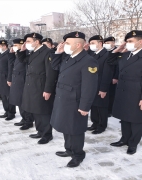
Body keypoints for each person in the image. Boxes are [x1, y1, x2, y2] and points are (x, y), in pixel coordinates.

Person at [51, 31, 98, 168]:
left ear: (78, 45)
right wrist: (58, 53)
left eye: (67, 43)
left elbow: (89, 87)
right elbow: (55, 67)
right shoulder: (68, 57)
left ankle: (78, 155)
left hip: (75, 101)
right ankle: (69, 150)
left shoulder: (89, 61)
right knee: (66, 127)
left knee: (75, 130)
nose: (64, 45)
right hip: (63, 99)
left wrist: (85, 106)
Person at [110, 30, 142, 155]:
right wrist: (117, 50)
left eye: (130, 41)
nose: (127, 44)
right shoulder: (125, 55)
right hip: (123, 92)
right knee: (124, 118)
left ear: (140, 42)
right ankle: (124, 139)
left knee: (136, 120)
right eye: (126, 41)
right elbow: (110, 62)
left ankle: (133, 143)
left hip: (137, 93)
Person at [17, 33, 59, 144]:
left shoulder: (47, 52)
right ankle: (40, 131)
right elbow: (23, 60)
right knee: (36, 111)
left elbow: (51, 74)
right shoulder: (34, 52)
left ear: (37, 41)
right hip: (32, 86)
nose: (26, 43)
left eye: (29, 41)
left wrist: (48, 90)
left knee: (43, 112)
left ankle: (47, 134)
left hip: (41, 87)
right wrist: (22, 50)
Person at [86, 35, 112, 134]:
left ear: (100, 43)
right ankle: (95, 123)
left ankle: (102, 125)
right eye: (90, 43)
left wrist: (103, 89)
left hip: (101, 85)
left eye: (93, 43)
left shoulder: (107, 55)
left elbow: (107, 73)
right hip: (92, 85)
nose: (91, 45)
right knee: (93, 105)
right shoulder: (92, 54)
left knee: (101, 107)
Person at [8, 38, 34, 129]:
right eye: (13, 45)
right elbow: (11, 65)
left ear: (22, 45)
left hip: (22, 80)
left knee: (24, 102)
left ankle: (28, 121)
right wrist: (11, 54)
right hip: (16, 80)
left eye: (16, 45)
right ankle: (24, 118)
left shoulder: (26, 54)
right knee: (18, 101)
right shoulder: (17, 54)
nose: (14, 47)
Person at [0, 40, 16, 120]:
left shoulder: (9, 54)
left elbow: (10, 67)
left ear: (4, 46)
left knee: (8, 96)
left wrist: (9, 79)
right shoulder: (2, 54)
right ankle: (6, 111)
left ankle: (11, 113)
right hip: (0, 78)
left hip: (6, 78)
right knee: (3, 96)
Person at [103, 37, 118, 117]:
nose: (106, 45)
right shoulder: (105, 51)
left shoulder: (118, 51)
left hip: (113, 76)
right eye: (105, 43)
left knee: (112, 94)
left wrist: (116, 77)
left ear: (113, 43)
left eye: (108, 43)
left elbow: (118, 66)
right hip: (105, 75)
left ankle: (110, 110)